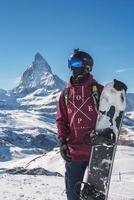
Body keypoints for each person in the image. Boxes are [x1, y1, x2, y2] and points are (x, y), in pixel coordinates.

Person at [56, 48, 103, 200]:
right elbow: (61, 120)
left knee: (95, 196)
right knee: (73, 196)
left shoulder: (99, 91)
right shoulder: (65, 94)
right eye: (70, 63)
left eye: (75, 63)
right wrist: (62, 142)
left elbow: (111, 117)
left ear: (87, 66)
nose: (72, 67)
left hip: (96, 153)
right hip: (74, 153)